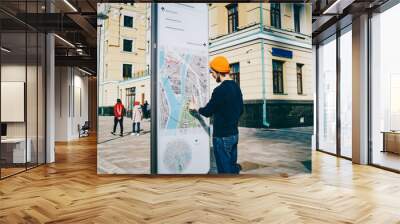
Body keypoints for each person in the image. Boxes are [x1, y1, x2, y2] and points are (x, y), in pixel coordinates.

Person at [189, 56, 243, 174]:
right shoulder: (236, 87)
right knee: (232, 168)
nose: (212, 75)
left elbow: (207, 112)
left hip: (222, 137)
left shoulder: (219, 90)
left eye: (212, 72)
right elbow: (241, 110)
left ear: (218, 72)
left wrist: (196, 107)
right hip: (234, 135)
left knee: (224, 172)